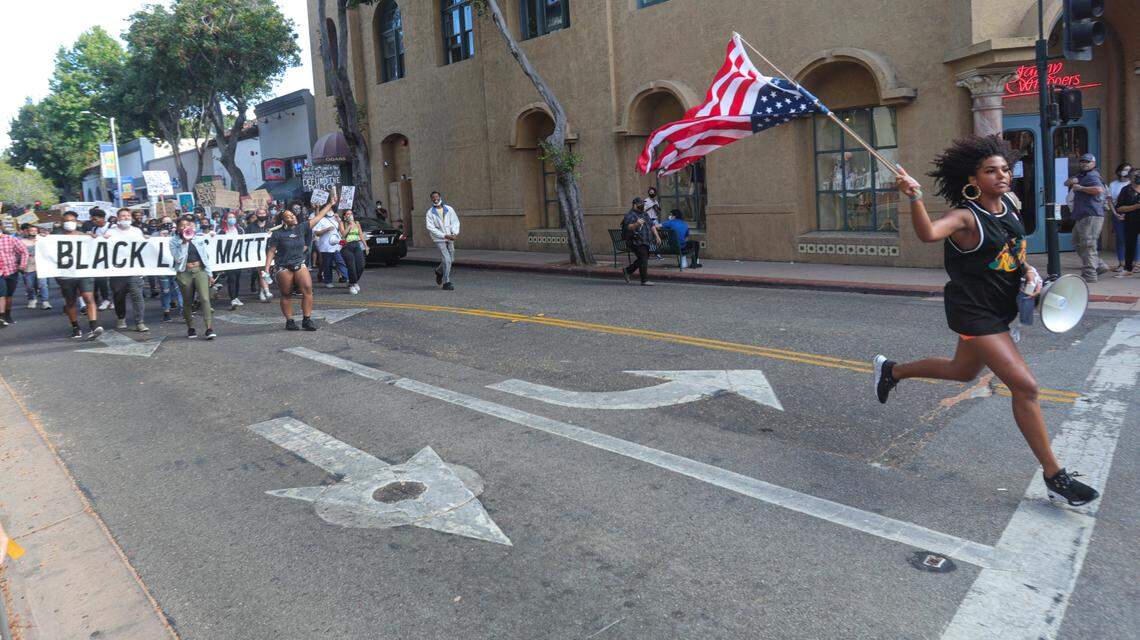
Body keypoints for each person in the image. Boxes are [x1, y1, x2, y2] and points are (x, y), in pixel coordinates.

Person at [877, 134, 1098, 507]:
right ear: (973, 178)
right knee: (1025, 387)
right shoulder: (964, 216)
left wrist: (1029, 271)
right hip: (975, 313)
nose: (1002, 176)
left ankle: (892, 371)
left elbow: (1012, 252)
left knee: (962, 371)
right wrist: (913, 197)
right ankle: (1054, 475)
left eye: (1005, 169)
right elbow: (928, 233)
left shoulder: (1009, 206)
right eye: (990, 171)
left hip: (1001, 309)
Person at [265, 198, 330, 331]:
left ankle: (307, 319)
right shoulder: (277, 234)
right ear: (283, 221)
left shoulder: (301, 228)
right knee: (286, 294)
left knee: (307, 290)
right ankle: (289, 321)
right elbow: (271, 252)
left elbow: (318, 217)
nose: (293, 217)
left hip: (299, 264)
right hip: (283, 267)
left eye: (293, 215)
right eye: (289, 216)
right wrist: (266, 269)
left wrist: (330, 204)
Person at [55, 212, 103, 340]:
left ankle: (94, 326)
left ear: (76, 222)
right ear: (62, 222)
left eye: (72, 220)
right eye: (66, 220)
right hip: (65, 275)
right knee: (70, 301)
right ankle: (75, 327)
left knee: (88, 297)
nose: (69, 223)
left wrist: (96, 239)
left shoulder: (85, 236)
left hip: (83, 273)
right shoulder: (55, 237)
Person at [168, 216, 217, 339]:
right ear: (178, 228)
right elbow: (178, 258)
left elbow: (205, 257)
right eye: (182, 226)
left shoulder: (197, 239)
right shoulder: (173, 241)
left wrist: (209, 273)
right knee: (188, 301)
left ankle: (209, 328)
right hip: (184, 272)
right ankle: (191, 328)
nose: (185, 227)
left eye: (187, 225)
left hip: (200, 270)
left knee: (205, 299)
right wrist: (184, 242)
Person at [1066, 153, 1110, 283]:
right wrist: (1071, 181)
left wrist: (1081, 188)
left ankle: (1090, 274)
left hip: (1091, 214)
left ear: (1093, 163)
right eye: (1082, 162)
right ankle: (1099, 265)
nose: (1084, 164)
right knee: (1077, 242)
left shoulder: (1093, 176)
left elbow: (1098, 190)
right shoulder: (1081, 175)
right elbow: (1066, 182)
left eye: (1087, 162)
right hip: (1081, 214)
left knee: (1088, 244)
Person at [104, 208, 149, 332]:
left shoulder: (137, 231)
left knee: (138, 297)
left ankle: (140, 322)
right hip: (117, 272)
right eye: (123, 216)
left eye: (128, 216)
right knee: (119, 297)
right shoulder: (111, 232)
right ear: (118, 218)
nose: (125, 218)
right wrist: (102, 239)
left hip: (134, 270)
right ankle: (121, 318)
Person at [620, 196, 660, 286]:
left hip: (646, 240)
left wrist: (657, 236)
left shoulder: (644, 214)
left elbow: (652, 225)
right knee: (643, 257)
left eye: (642, 204)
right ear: (634, 205)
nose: (641, 206)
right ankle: (644, 280)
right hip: (635, 241)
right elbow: (628, 227)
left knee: (643, 258)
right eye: (639, 204)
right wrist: (636, 224)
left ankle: (627, 270)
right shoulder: (630, 215)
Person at [425, 191, 460, 290]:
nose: (435, 199)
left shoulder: (449, 209)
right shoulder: (430, 213)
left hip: (450, 237)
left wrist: (454, 233)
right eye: (433, 197)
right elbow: (431, 228)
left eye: (437, 197)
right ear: (431, 199)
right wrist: (444, 235)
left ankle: (439, 271)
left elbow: (455, 222)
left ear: (440, 197)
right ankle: (446, 282)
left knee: (451, 259)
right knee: (447, 260)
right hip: (439, 239)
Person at [150, 216, 183, 322]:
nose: (167, 224)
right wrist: (160, 237)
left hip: (175, 266)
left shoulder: (176, 233)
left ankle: (184, 310)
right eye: (165, 223)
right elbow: (151, 248)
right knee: (165, 290)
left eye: (169, 222)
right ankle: (166, 311)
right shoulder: (155, 235)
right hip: (163, 268)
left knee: (179, 289)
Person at [1108, 161, 1138, 272]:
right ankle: (1121, 263)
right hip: (1118, 215)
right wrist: (1115, 213)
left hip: (1133, 215)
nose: (1126, 172)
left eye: (1129, 170)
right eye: (1124, 169)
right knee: (1120, 239)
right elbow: (1110, 201)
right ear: (1119, 171)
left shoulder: (1135, 184)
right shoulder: (1113, 184)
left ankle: (1135, 264)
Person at [313, 196, 349, 288]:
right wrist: (326, 230)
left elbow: (342, 232)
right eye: (329, 210)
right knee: (327, 264)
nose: (330, 211)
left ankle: (348, 278)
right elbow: (316, 233)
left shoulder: (336, 219)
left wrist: (339, 221)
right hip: (325, 247)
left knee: (340, 262)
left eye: (332, 210)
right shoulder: (321, 220)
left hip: (336, 246)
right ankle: (328, 281)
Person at [0, 226, 29, 327]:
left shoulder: (11, 239)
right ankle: (2, 317)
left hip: (11, 271)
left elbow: (24, 251)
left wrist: (22, 265)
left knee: (8, 295)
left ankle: (7, 315)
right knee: (1, 294)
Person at [1113, 170, 1140, 277]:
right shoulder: (1126, 190)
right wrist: (1135, 207)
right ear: (1130, 177)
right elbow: (1119, 208)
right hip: (1131, 221)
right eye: (1135, 176)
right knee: (1130, 244)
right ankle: (1128, 268)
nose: (1138, 177)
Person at [218, 211, 248, 310]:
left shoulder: (240, 230)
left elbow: (244, 242)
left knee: (237, 278)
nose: (232, 219)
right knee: (232, 279)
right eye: (229, 217)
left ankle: (236, 297)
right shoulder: (222, 231)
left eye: (233, 217)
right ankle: (232, 299)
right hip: (227, 259)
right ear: (225, 220)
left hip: (237, 258)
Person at [18, 225, 51, 309]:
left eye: (35, 230)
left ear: (37, 231)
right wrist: (20, 265)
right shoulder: (22, 241)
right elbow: (18, 254)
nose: (33, 232)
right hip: (28, 266)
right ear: (27, 232)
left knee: (43, 285)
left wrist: (46, 236)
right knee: (30, 285)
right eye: (31, 230)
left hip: (41, 266)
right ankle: (32, 299)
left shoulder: (42, 240)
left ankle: (45, 302)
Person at [245, 208, 275, 302]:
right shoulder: (250, 227)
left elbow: (276, 236)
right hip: (256, 252)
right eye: (259, 213)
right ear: (256, 214)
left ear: (266, 214)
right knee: (262, 271)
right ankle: (267, 291)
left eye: (263, 213)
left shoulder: (271, 225)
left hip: (269, 251)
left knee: (267, 271)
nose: (262, 215)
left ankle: (261, 291)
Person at [87, 208, 113, 311]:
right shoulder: (94, 229)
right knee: (101, 279)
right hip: (100, 258)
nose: (94, 221)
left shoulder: (112, 227)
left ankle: (113, 300)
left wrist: (99, 237)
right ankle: (106, 299)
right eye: (92, 219)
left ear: (103, 218)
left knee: (114, 281)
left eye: (96, 219)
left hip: (113, 258)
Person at [339, 209, 368, 295]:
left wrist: (366, 246)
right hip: (347, 246)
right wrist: (349, 226)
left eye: (351, 214)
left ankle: (354, 281)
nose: (350, 215)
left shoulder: (357, 223)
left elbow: (360, 234)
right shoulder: (342, 223)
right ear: (345, 216)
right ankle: (352, 284)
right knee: (351, 267)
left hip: (356, 245)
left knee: (361, 265)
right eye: (348, 214)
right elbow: (343, 235)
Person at [644, 187, 664, 260]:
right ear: (649, 193)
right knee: (649, 237)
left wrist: (657, 208)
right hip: (648, 220)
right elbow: (643, 210)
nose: (652, 193)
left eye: (653, 192)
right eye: (650, 192)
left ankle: (658, 253)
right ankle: (648, 253)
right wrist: (651, 207)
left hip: (655, 219)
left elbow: (658, 211)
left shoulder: (656, 201)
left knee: (657, 236)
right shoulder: (646, 200)